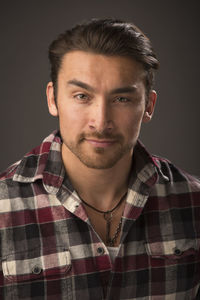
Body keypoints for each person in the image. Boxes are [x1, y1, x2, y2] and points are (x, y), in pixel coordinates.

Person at [0, 18, 199, 300]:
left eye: (121, 99)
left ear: (149, 106)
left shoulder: (192, 202)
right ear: (53, 99)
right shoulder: (2, 206)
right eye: (82, 96)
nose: (101, 121)